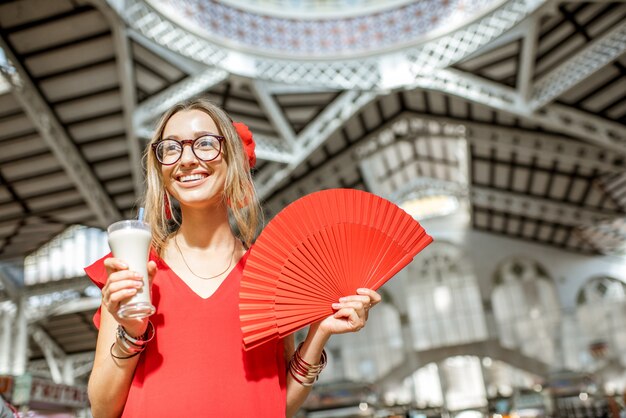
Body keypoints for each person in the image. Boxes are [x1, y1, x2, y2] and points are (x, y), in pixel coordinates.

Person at [85, 98, 381, 417]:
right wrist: (131, 332)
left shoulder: (273, 276)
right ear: (160, 167)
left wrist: (319, 333)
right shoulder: (132, 272)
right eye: (171, 148)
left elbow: (276, 404)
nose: (186, 158)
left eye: (206, 143)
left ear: (234, 158)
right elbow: (102, 410)